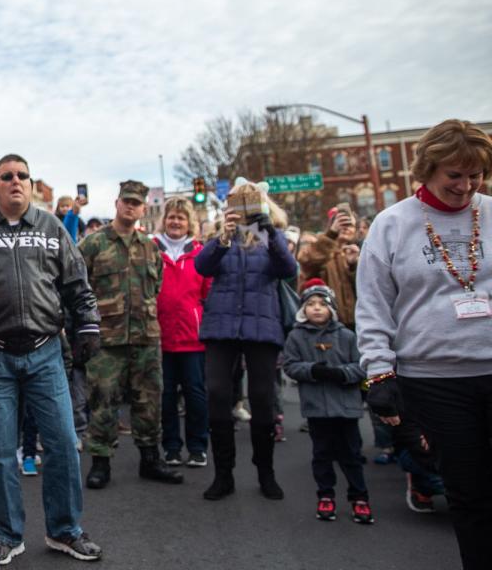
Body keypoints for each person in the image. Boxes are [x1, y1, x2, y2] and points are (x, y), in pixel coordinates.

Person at [0, 154, 103, 564]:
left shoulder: (52, 227)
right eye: (7, 176)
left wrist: (87, 324)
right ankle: (6, 534)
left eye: (23, 176)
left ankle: (66, 530)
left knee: (63, 445)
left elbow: (76, 284)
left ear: (31, 184)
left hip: (46, 353)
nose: (16, 181)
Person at [356, 119, 492, 569]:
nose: (466, 185)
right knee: (468, 494)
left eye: (476, 174)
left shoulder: (489, 212)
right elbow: (374, 304)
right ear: (428, 168)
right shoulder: (392, 224)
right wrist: (379, 371)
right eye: (455, 174)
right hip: (435, 382)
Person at [194, 179, 297, 501]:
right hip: (221, 325)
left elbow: (287, 269)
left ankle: (265, 471)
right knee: (217, 393)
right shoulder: (220, 235)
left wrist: (269, 232)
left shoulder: (272, 235)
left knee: (263, 399)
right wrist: (222, 238)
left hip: (261, 326)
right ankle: (223, 474)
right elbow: (202, 267)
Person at [80, 181, 184, 488]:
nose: (131, 206)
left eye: (136, 203)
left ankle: (151, 460)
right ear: (116, 203)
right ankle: (100, 463)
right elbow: (77, 288)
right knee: (103, 401)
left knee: (149, 401)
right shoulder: (93, 244)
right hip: (106, 339)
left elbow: (157, 287)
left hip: (145, 337)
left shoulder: (150, 247)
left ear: (142, 208)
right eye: (126, 201)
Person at [281, 280, 374, 524]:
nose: (317, 308)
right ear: (303, 310)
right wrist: (313, 370)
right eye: (311, 304)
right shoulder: (296, 336)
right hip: (317, 409)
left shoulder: (347, 335)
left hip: (347, 408)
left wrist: (342, 374)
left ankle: (359, 496)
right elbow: (289, 365)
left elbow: (362, 366)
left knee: (351, 454)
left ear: (331, 307)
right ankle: (325, 494)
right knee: (321, 454)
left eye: (322, 303)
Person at [153, 197, 211, 468]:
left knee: (195, 395)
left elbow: (208, 293)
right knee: (165, 397)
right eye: (171, 217)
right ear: (164, 220)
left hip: (192, 339)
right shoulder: (152, 250)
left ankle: (198, 446)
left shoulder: (201, 253)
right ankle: (172, 447)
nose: (175, 222)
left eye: (181, 217)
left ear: (190, 223)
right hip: (159, 337)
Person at [299, 205, 361, 327]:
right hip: (325, 324)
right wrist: (331, 234)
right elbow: (306, 261)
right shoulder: (320, 249)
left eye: (350, 225)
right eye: (341, 223)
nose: (346, 228)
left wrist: (353, 266)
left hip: (355, 324)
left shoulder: (358, 253)